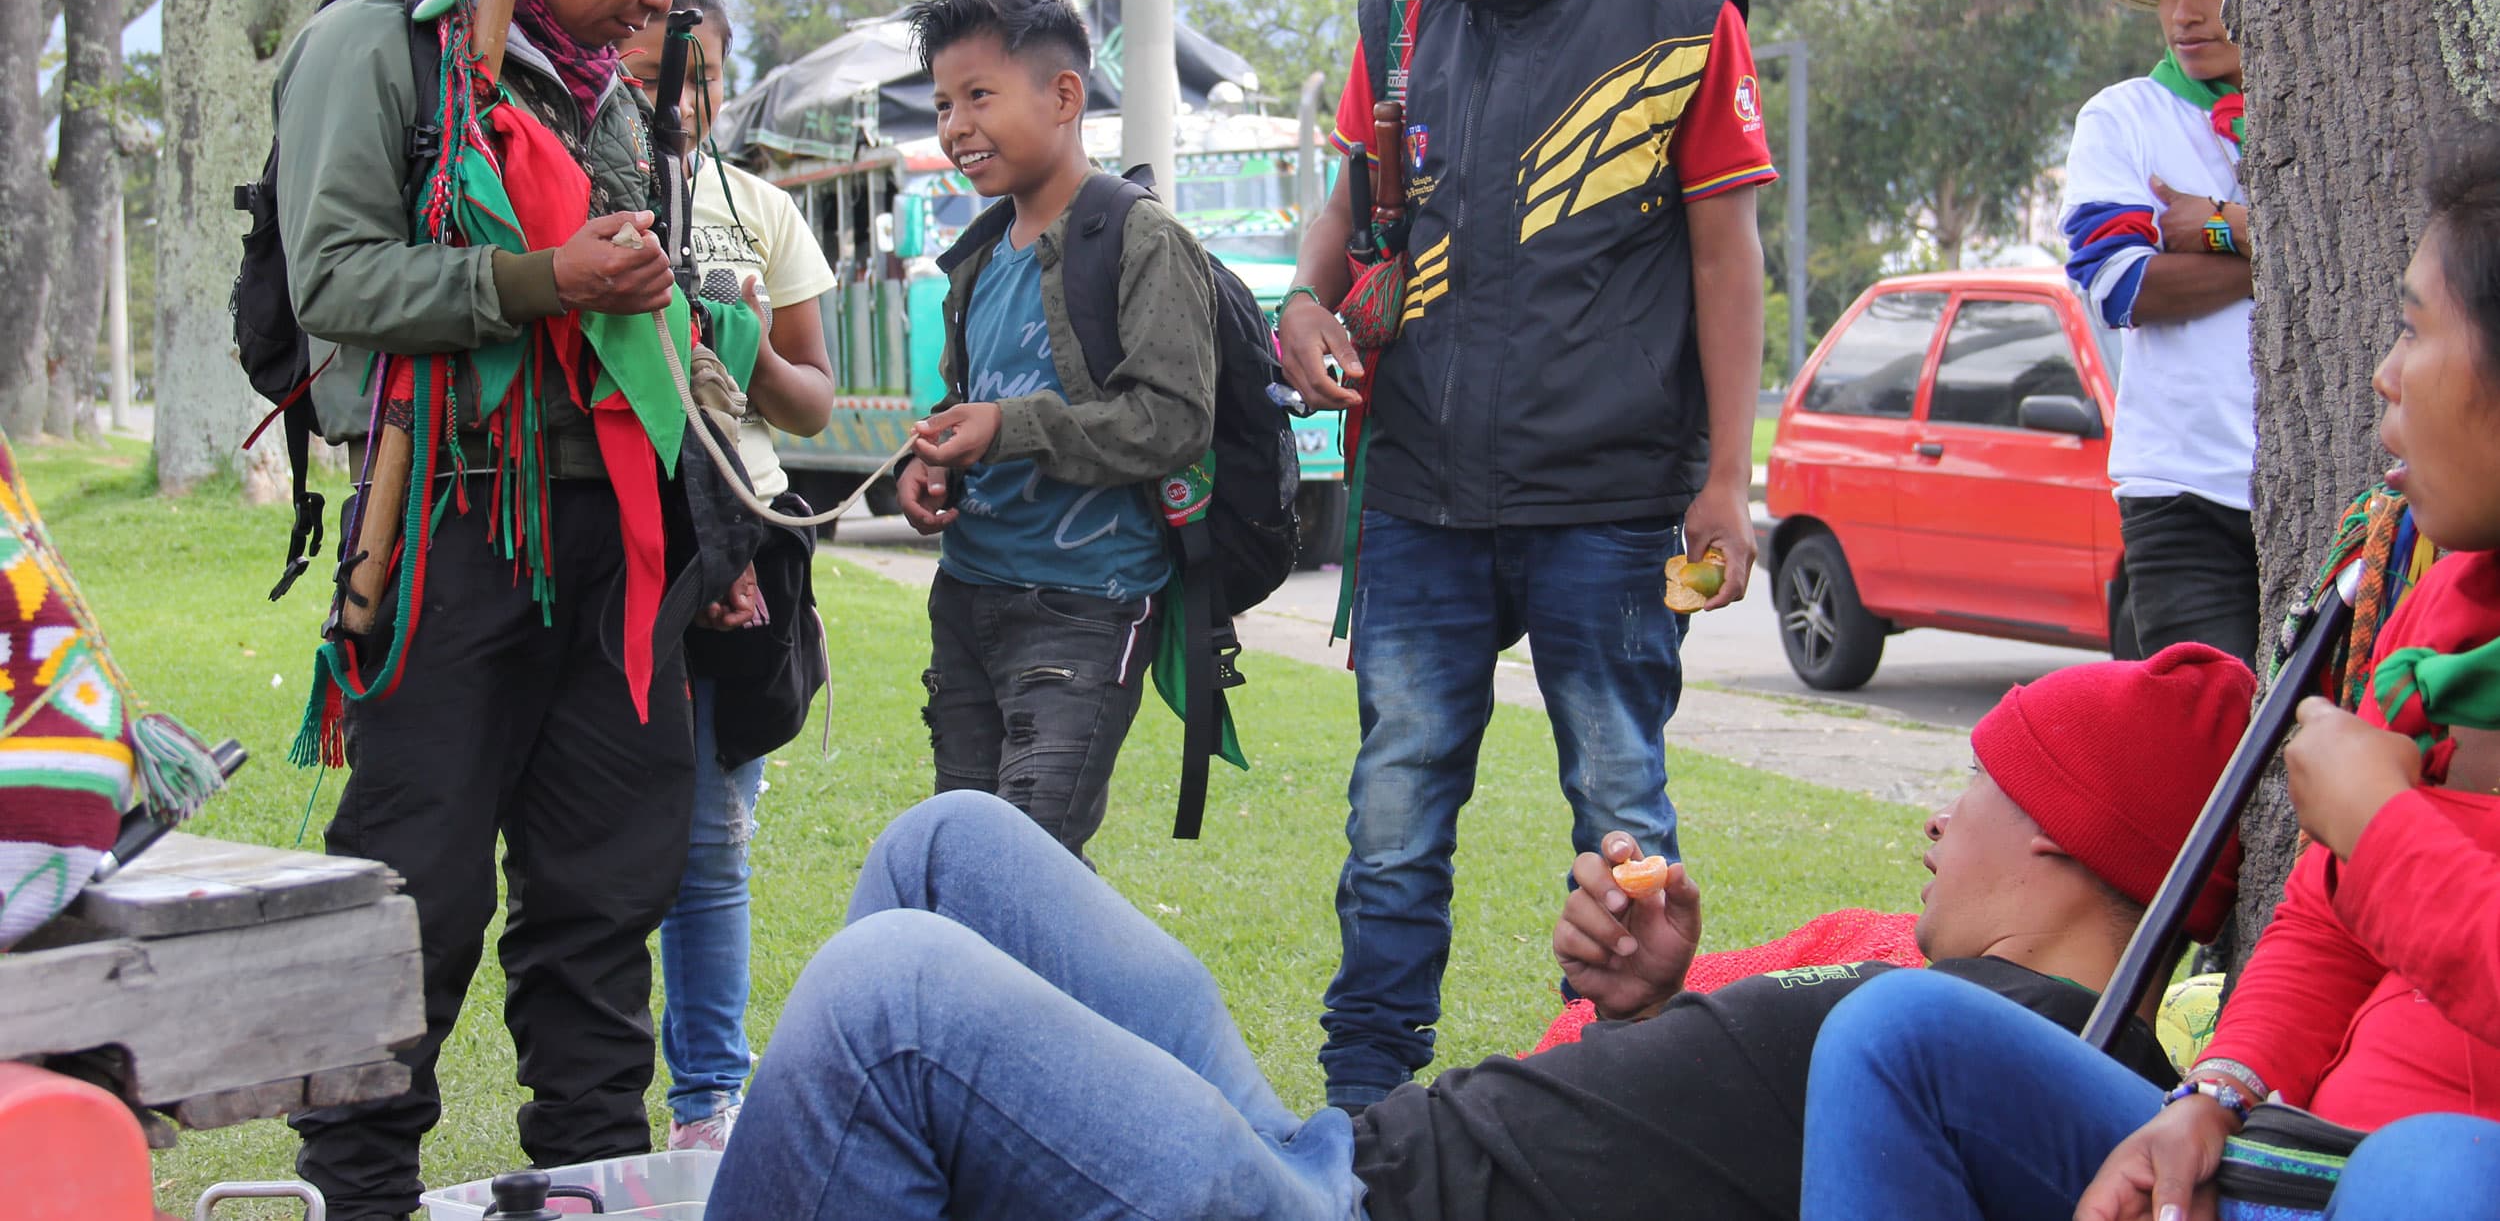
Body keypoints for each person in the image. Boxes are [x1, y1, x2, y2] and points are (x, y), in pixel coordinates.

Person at [700, 642, 2253, 1221]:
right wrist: (1647, 997)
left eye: (1971, 783)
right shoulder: (1906, 959)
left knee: (889, 998)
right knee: (949, 845)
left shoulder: (2028, 1074)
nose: (1935, 816)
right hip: (1341, 1148)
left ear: (2062, 828)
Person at [1795, 128, 2500, 1221]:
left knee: (2436, 1169)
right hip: (2297, 1158)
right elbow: (2320, 921)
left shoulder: (2393, 774)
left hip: (2429, 1183)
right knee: (1896, 1037)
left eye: (2414, 330)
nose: (2384, 373)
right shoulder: (2444, 603)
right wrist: (2214, 1092)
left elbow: (2393, 878)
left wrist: (2385, 824)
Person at [274, 0, 758, 1218]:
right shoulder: (378, 41)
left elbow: (637, 332)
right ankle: (357, 1191)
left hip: (617, 548)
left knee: (607, 888)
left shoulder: (603, 81)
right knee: (409, 888)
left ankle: (592, 1180)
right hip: (449, 532)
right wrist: (542, 280)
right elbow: (335, 279)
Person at [1273, 0, 1776, 1106]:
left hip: (1613, 507)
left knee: (1624, 813)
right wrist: (1304, 309)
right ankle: (1365, 1109)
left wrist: (1726, 481)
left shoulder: (1683, 20)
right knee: (1392, 815)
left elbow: (1732, 261)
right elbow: (1342, 216)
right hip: (1419, 495)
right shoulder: (1395, 22)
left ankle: (1605, 1094)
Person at [892, 0, 1216, 859]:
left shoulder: (1139, 238)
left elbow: (1175, 418)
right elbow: (974, 404)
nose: (956, 126)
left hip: (1085, 606)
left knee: (1026, 867)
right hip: (966, 595)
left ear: (1065, 96)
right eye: (944, 104)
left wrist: (1010, 426)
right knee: (960, 853)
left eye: (980, 96)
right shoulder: (973, 258)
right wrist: (929, 460)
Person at [620, 0, 836, 1152]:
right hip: (620, 546)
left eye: (699, 76)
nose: (680, 99)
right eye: (658, 73)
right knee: (600, 832)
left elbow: (808, 404)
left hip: (743, 537)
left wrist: (733, 346)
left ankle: (707, 1100)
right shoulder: (586, 178)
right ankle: (612, 1087)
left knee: (710, 837)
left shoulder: (760, 209)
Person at [2062, 0, 2259, 665]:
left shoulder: (2328, 106)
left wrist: (2217, 225)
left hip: (2333, 486)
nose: (2185, 11)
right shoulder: (2122, 117)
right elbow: (2126, 287)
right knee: (2206, 751)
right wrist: (2287, 248)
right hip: (2180, 491)